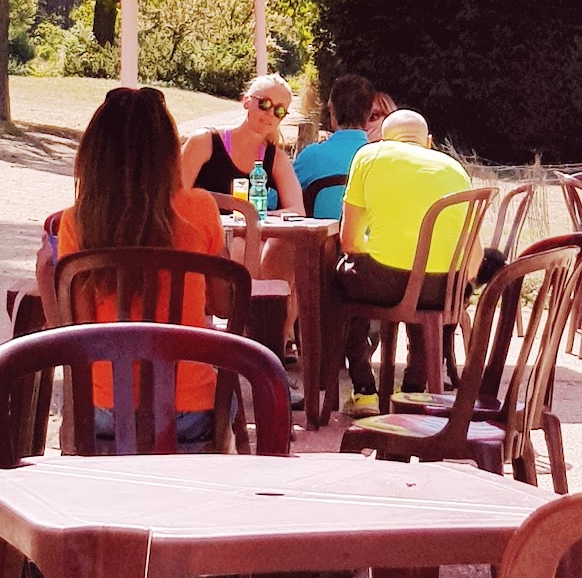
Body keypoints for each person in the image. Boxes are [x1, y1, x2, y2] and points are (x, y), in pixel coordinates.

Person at [35, 84, 225, 452]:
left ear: (93, 156)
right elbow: (223, 305)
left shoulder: (78, 222)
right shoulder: (201, 208)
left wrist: (47, 279)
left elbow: (75, 335)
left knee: (74, 399)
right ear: (169, 152)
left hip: (104, 410)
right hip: (190, 411)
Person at [335, 108, 478, 415]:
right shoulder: (455, 169)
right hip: (444, 286)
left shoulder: (369, 156)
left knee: (345, 276)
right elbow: (474, 254)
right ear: (428, 141)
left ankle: (364, 391)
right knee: (425, 301)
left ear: (384, 138)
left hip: (384, 282)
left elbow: (349, 241)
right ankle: (413, 390)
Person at [181, 72, 304, 214]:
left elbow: (298, 211)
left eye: (279, 110)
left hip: (249, 236)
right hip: (204, 232)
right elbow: (174, 200)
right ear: (246, 101)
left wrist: (254, 219)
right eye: (264, 104)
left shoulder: (276, 158)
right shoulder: (204, 142)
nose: (270, 113)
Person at [293, 73, 376, 218]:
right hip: (363, 240)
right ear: (370, 113)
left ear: (331, 108)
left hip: (316, 240)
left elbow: (275, 200)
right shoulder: (380, 160)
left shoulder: (311, 157)